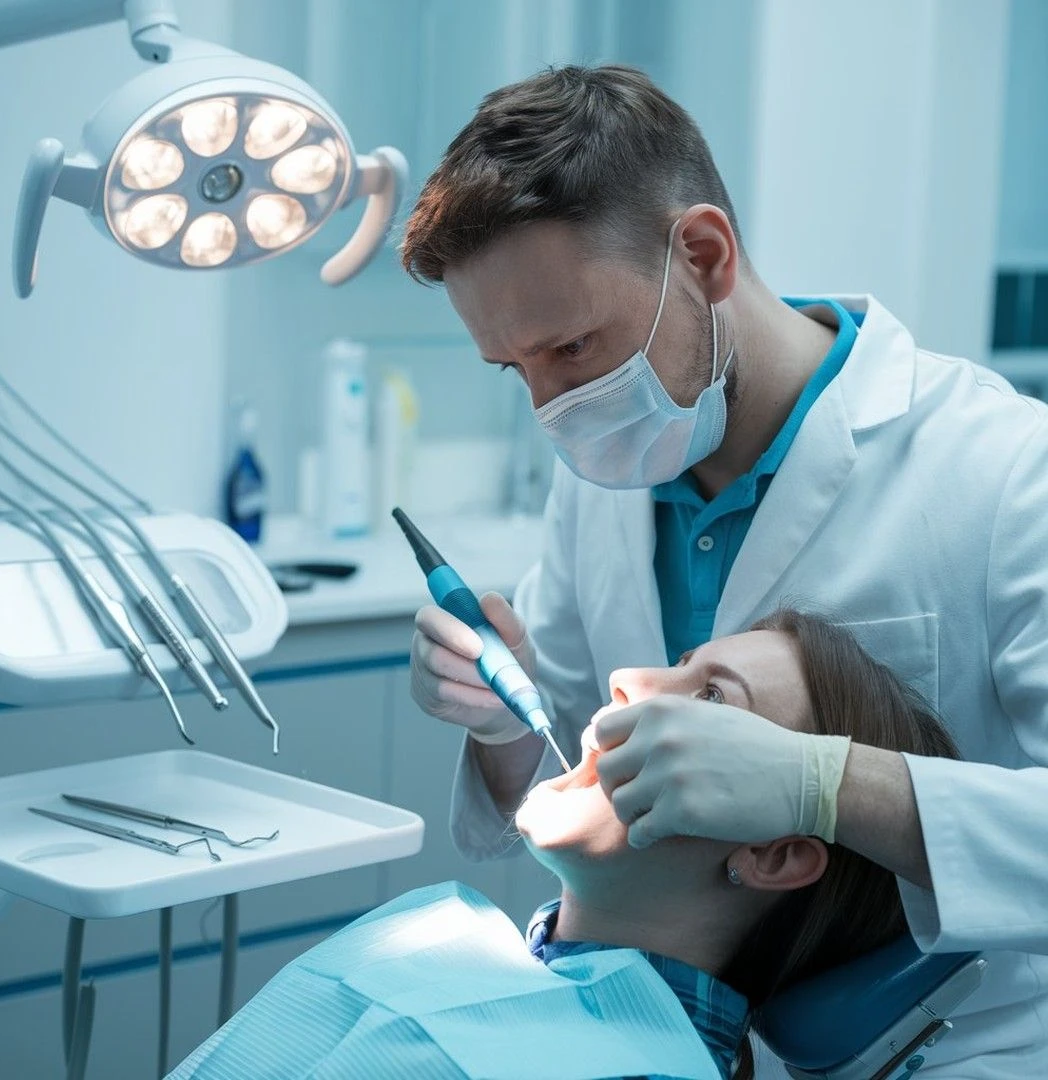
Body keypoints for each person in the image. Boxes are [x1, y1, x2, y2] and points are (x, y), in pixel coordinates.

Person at [401, 64, 1048, 1076]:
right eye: (514, 368)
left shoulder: (1007, 471)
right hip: (678, 1032)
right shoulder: (609, 465)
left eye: (573, 346)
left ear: (701, 254)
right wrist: (495, 724)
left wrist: (821, 784)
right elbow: (569, 725)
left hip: (974, 1043)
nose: (552, 409)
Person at [168, 613, 959, 1080]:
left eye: (712, 698)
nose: (624, 678)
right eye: (682, 667)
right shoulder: (437, 932)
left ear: (775, 854)